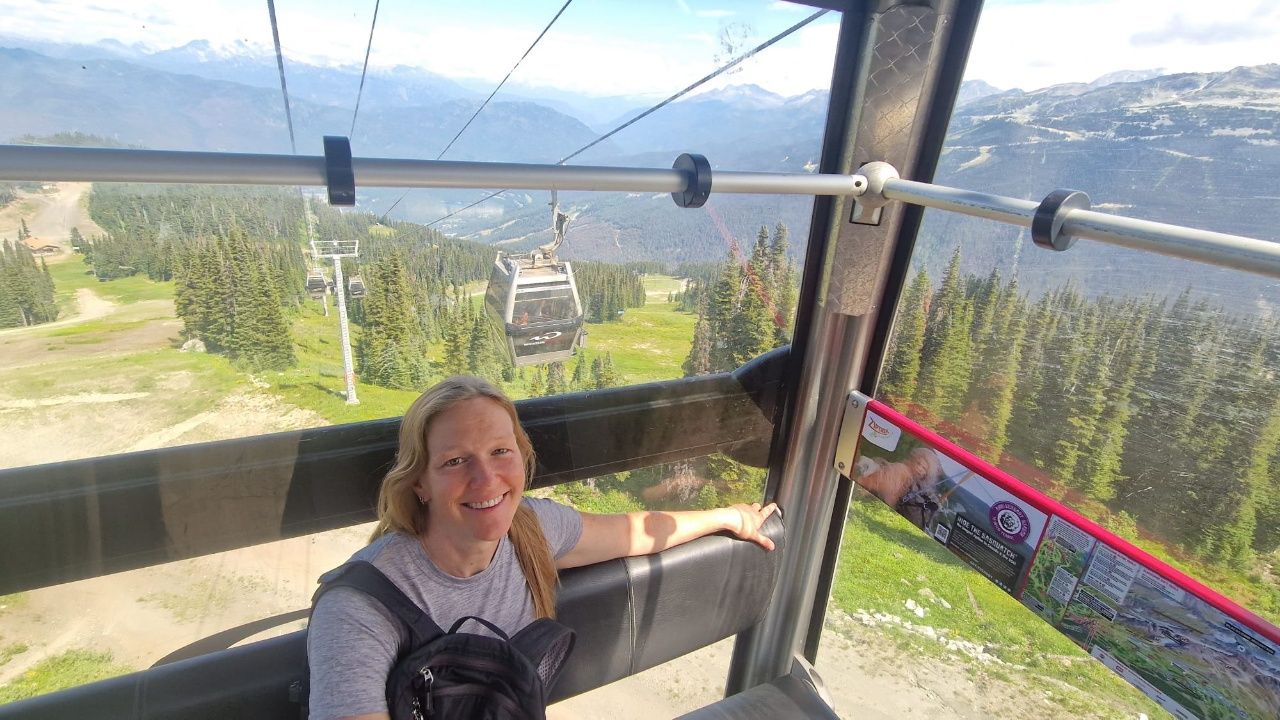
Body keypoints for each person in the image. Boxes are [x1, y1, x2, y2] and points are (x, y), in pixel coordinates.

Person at [308, 376, 778, 720]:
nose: (486, 479)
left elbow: (635, 530)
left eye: (500, 451)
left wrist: (727, 517)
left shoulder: (529, 530)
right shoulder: (359, 608)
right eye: (455, 461)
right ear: (419, 483)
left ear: (522, 456)